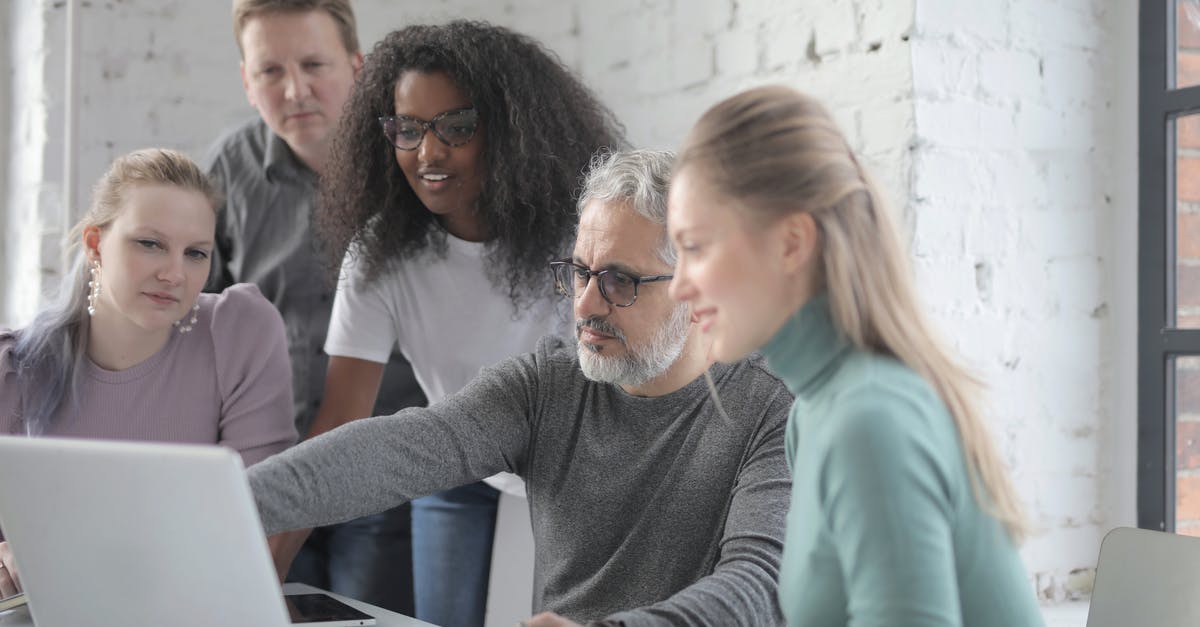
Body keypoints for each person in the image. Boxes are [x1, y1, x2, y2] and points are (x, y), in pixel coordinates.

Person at [249, 150, 792, 626]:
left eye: (619, 281)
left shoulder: (772, 410)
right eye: (580, 272)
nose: (584, 305)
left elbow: (759, 583)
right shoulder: (546, 385)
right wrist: (232, 500)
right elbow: (397, 450)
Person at [667, 85, 1044, 626]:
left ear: (792, 242)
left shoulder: (870, 420)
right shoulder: (813, 413)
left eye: (695, 247)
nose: (678, 285)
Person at [310, 20, 625, 626]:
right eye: (408, 128)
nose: (428, 152)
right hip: (456, 470)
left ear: (511, 132)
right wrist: (259, 560)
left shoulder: (581, 236)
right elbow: (337, 426)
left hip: (574, 478)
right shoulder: (380, 257)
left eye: (457, 127)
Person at [205, 0, 426, 613]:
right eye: (270, 71)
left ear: (357, 68)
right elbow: (193, 326)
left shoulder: (413, 165)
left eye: (313, 64)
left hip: (386, 481)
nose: (295, 90)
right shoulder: (227, 170)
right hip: (264, 478)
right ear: (248, 83)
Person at [0, 148, 296, 599]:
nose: (175, 273)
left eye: (196, 253)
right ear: (96, 245)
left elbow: (258, 530)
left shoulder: (240, 333)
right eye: (150, 243)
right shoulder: (15, 370)